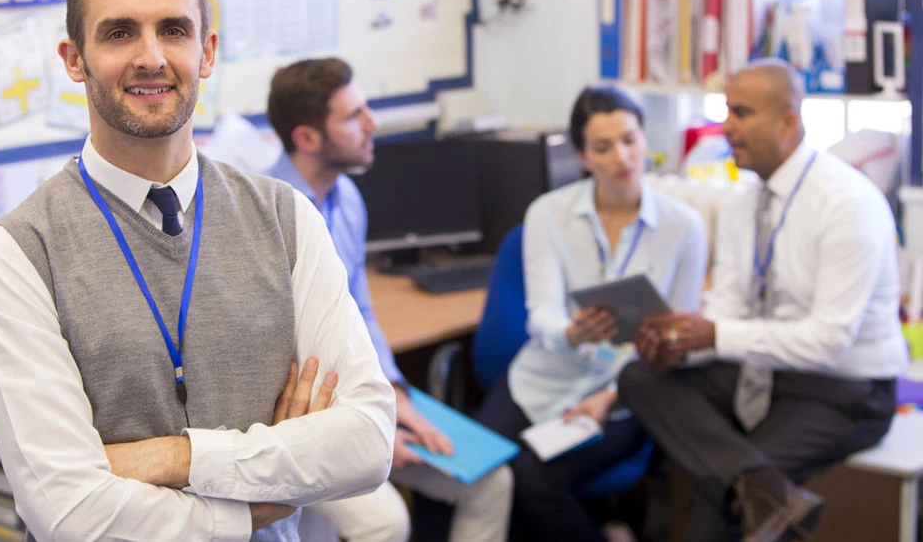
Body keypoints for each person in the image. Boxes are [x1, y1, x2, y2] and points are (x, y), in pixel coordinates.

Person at [0, 0, 395, 542]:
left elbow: (367, 441)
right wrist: (247, 508)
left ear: (206, 51)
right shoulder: (20, 251)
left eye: (174, 29)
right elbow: (66, 512)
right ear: (73, 59)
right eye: (119, 33)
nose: (151, 57)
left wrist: (175, 457)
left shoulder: (286, 217)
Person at [620, 58, 908, 542]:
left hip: (847, 389)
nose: (726, 127)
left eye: (742, 113)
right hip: (769, 374)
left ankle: (752, 491)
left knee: (721, 505)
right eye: (727, 110)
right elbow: (729, 312)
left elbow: (827, 344)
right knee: (641, 377)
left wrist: (715, 334)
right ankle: (765, 491)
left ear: (788, 122)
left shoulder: (847, 203)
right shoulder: (742, 203)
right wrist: (685, 341)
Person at [265, 57, 513, 542]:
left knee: (491, 482)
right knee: (386, 523)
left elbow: (361, 310)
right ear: (308, 139)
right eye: (354, 115)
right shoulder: (266, 212)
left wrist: (396, 395)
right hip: (301, 417)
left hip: (362, 398)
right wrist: (371, 425)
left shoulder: (348, 199)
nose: (372, 124)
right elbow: (277, 357)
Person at [474, 86, 708, 542]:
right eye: (603, 147)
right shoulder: (549, 214)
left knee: (533, 481)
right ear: (582, 155)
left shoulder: (684, 226)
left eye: (630, 139)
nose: (622, 157)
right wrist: (571, 332)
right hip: (543, 377)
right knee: (479, 472)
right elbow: (540, 316)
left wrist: (611, 398)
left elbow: (682, 339)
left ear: (646, 140)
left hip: (625, 394)